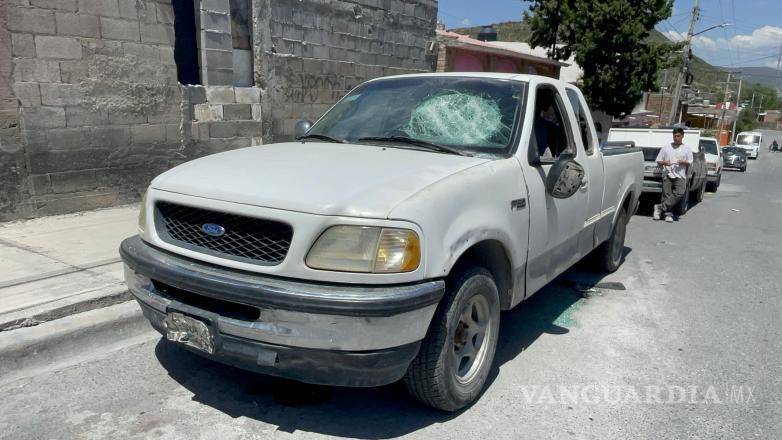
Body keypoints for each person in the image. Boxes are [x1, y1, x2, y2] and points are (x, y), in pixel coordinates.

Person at [653, 128, 693, 223]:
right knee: (667, 195)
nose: (676, 138)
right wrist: (664, 162)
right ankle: (668, 214)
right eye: (674, 136)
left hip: (680, 174)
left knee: (680, 192)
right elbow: (658, 160)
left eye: (678, 136)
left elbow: (690, 162)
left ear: (682, 136)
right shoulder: (667, 147)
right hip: (667, 173)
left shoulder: (687, 148)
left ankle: (659, 207)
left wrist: (684, 162)